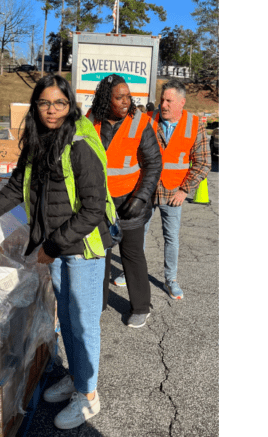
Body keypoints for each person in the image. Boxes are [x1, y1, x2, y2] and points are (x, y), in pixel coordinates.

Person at [0, 75, 116, 430]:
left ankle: (89, 396)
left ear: (70, 106)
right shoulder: (37, 142)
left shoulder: (80, 144)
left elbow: (93, 209)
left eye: (59, 104)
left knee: (83, 323)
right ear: (35, 106)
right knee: (66, 319)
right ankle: (79, 378)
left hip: (82, 247)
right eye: (44, 103)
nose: (51, 111)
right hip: (56, 248)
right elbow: (12, 190)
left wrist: (51, 247)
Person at [86, 74, 162, 328]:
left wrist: (141, 197)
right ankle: (98, 303)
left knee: (132, 254)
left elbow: (153, 163)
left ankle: (141, 306)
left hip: (131, 203)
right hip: (98, 203)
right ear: (106, 100)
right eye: (120, 97)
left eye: (128, 96)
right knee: (100, 254)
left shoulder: (140, 122)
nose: (127, 102)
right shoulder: (90, 120)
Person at [145, 79, 211, 299]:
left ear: (181, 103)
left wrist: (184, 190)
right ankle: (132, 271)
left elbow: (203, 162)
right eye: (162, 99)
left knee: (171, 237)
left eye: (169, 101)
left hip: (174, 192)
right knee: (137, 234)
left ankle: (170, 279)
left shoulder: (194, 124)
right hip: (146, 190)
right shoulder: (148, 120)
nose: (163, 104)